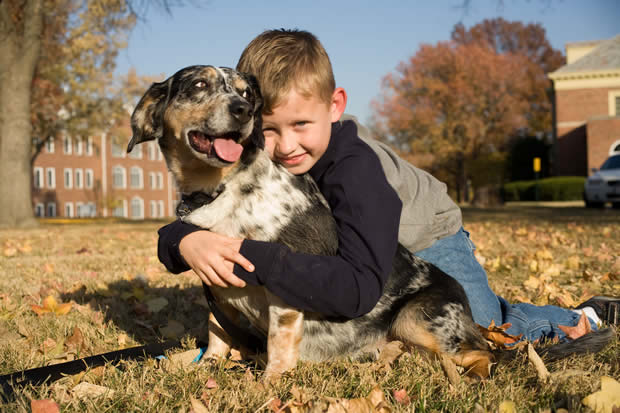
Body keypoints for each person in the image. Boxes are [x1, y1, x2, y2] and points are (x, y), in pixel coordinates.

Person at [157, 29, 619, 343]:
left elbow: (360, 285)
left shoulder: (357, 171)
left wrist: (251, 257)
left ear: (335, 106)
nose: (285, 146)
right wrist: (185, 239)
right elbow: (210, 207)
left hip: (426, 238)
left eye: (301, 124)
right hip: (362, 248)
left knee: (481, 323)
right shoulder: (255, 158)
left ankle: (585, 316)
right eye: (269, 129)